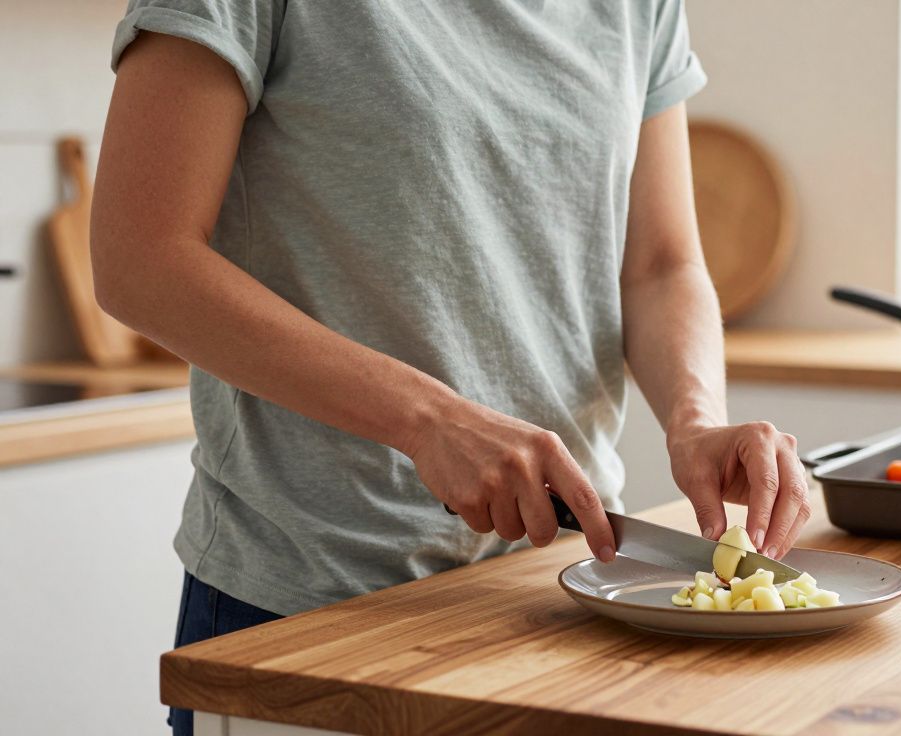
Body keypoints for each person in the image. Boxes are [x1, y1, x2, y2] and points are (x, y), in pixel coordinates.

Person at [92, 2, 811, 732]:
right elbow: (140, 260)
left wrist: (695, 421)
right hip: (317, 616)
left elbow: (659, 264)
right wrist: (428, 420)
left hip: (564, 594)